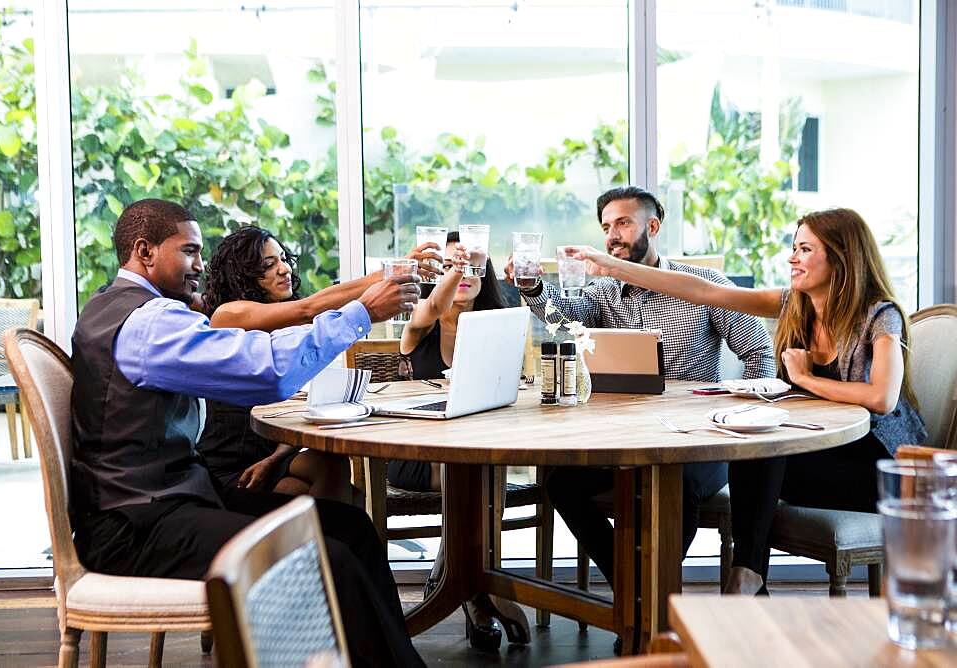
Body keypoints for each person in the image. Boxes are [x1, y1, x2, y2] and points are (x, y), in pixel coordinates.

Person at [70, 198, 425, 667]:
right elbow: (270, 372)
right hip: (138, 525)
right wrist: (360, 316)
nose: (200, 264)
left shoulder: (119, 308)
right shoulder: (150, 324)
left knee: (351, 529)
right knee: (330, 561)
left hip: (161, 503)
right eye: (190, 251)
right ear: (145, 250)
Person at [566, 206, 927, 595]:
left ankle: (743, 575)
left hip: (880, 470)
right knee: (752, 447)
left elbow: (882, 398)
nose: (792, 257)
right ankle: (746, 576)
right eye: (794, 247)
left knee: (761, 453)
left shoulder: (879, 314)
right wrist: (611, 265)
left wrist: (804, 378)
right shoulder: (797, 305)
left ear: (841, 256)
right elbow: (705, 291)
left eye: (805, 249)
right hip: (825, 453)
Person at [508, 186, 776, 591]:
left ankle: (647, 599)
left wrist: (739, 411)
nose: (612, 235)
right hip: (623, 440)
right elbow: (565, 325)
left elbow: (760, 355)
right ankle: (632, 587)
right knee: (561, 483)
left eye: (623, 223)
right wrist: (532, 288)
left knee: (674, 489)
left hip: (696, 444)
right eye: (606, 227)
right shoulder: (602, 293)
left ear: (652, 226)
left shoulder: (704, 285)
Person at [197, 225, 442, 505]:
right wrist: (389, 274)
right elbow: (309, 309)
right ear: (240, 274)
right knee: (332, 499)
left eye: (284, 259)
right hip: (230, 466)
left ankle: (336, 543)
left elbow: (288, 409)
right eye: (269, 264)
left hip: (271, 453)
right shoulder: (227, 315)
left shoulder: (288, 326)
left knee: (332, 466)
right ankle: (336, 541)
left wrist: (276, 457)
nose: (284, 269)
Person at [392, 231, 527, 651]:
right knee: (483, 472)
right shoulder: (421, 323)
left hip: (476, 450)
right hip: (417, 453)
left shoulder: (496, 328)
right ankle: (479, 587)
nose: (465, 274)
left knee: (486, 464)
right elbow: (433, 305)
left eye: (473, 269)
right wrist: (454, 269)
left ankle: (457, 580)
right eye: (454, 267)